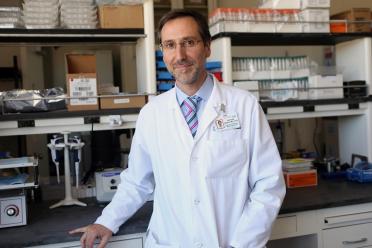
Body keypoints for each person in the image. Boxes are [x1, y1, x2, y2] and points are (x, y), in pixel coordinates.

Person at [70, 9, 286, 248]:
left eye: (189, 42)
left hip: (231, 243)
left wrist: (243, 243)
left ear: (207, 47)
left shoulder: (244, 106)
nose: (180, 55)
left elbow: (268, 183)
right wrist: (106, 222)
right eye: (170, 45)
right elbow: (137, 182)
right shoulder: (152, 114)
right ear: (163, 53)